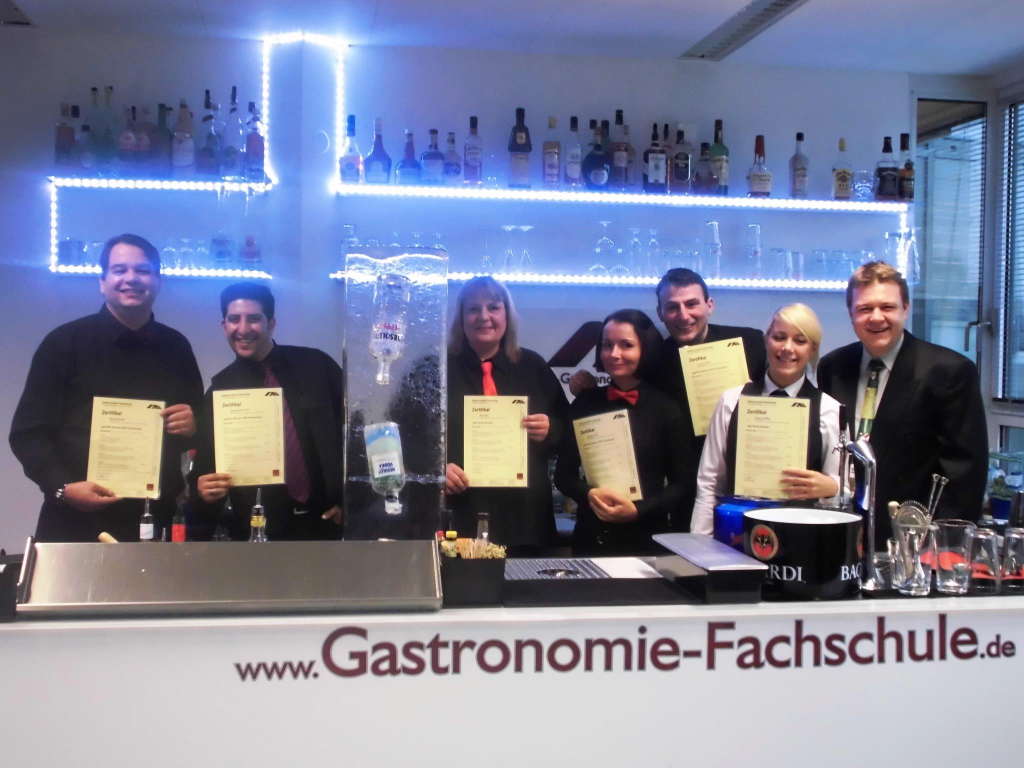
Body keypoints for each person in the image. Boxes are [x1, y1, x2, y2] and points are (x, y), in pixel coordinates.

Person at [9, 234, 203, 542]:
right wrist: (63, 488)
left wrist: (193, 427)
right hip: (75, 520)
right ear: (102, 281)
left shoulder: (177, 347)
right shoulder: (63, 343)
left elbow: (197, 426)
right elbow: (28, 434)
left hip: (157, 518)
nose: (131, 278)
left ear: (158, 281)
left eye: (143, 270)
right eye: (119, 270)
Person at [571, 268, 766, 531]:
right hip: (688, 488)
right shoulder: (653, 360)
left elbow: (781, 393)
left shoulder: (749, 342)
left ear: (709, 305)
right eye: (672, 307)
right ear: (660, 313)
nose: (683, 315)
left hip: (750, 476)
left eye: (691, 304)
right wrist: (587, 384)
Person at [816, 262, 988, 544]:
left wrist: (944, 549)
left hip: (912, 542)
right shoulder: (832, 367)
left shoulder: (948, 371)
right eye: (865, 308)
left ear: (905, 309)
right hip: (841, 534)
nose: (876, 318)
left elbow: (964, 475)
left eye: (887, 307)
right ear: (851, 314)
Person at [190, 283, 345, 541]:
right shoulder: (219, 392)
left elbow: (357, 431)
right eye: (234, 319)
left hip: (326, 524)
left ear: (271, 324)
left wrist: (352, 501)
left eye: (253, 319)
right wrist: (204, 491)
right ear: (224, 326)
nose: (243, 329)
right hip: (259, 533)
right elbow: (205, 470)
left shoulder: (316, 366)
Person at [691, 303, 842, 536]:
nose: (787, 348)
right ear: (767, 340)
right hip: (735, 535)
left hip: (801, 538)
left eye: (800, 340)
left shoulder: (829, 410)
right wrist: (700, 544)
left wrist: (833, 488)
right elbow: (709, 481)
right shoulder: (731, 401)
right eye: (779, 337)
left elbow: (840, 491)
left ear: (812, 349)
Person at [445, 276, 570, 552]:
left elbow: (571, 432)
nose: (484, 317)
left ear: (507, 315)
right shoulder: (436, 368)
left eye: (493, 307)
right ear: (461, 317)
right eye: (473, 309)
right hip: (459, 517)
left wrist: (551, 429)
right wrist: (435, 470)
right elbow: (408, 436)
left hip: (525, 521)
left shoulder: (533, 367)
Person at [556, 310, 692, 555]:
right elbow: (563, 476)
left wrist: (639, 510)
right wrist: (589, 494)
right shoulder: (585, 404)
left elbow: (681, 484)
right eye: (607, 345)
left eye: (626, 345)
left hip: (648, 539)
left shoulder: (667, 409)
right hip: (591, 537)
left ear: (645, 348)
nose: (614, 354)